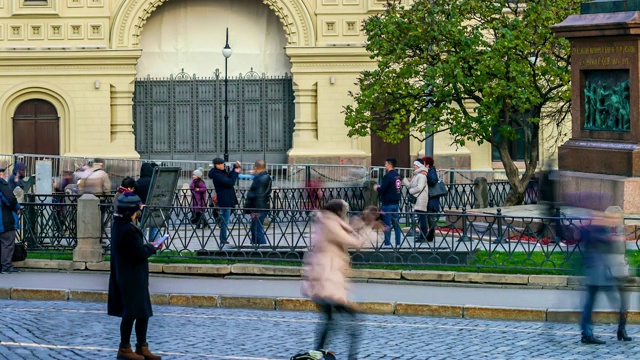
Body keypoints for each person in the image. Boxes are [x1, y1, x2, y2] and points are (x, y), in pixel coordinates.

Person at [302, 199, 362, 360]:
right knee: (353, 319)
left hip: (325, 281)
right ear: (339, 211)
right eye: (344, 211)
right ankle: (350, 356)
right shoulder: (330, 224)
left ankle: (317, 353)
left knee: (329, 322)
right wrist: (360, 226)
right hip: (327, 282)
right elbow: (354, 241)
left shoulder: (326, 222)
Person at [108, 192, 162, 360]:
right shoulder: (126, 229)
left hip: (132, 275)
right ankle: (124, 348)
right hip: (130, 276)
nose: (140, 211)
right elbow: (138, 253)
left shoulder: (121, 225)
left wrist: (147, 246)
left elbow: (135, 248)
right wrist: (152, 248)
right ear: (132, 210)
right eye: (138, 208)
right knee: (131, 312)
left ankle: (142, 346)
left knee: (143, 312)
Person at [579, 210, 631, 344]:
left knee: (615, 301)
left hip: (613, 269)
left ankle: (620, 329)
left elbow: (618, 249)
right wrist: (611, 238)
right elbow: (596, 242)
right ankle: (587, 333)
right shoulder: (597, 229)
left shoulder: (613, 229)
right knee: (612, 301)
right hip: (600, 271)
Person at [208, 158, 241, 247]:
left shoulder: (221, 173)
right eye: (222, 164)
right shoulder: (217, 175)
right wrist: (236, 172)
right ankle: (223, 239)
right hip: (225, 200)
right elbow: (230, 182)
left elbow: (228, 176)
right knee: (225, 221)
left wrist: (235, 168)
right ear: (217, 165)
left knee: (225, 220)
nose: (224, 165)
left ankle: (219, 223)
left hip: (228, 199)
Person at [374, 157, 402, 247]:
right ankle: (398, 242)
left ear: (390, 164)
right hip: (396, 202)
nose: (385, 166)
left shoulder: (387, 176)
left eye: (386, 164)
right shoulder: (398, 175)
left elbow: (383, 189)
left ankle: (387, 243)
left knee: (387, 224)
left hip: (387, 203)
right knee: (396, 224)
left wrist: (377, 188)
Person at [245, 160, 272, 245]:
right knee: (255, 228)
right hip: (261, 206)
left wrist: (247, 204)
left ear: (256, 167)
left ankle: (263, 249)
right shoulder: (265, 177)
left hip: (258, 207)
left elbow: (255, 194)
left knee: (257, 228)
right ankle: (254, 247)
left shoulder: (260, 179)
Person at [0, 167, 21, 274]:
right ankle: (6, 267)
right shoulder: (2, 185)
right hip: (4, 220)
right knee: (7, 243)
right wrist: (17, 208)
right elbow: (10, 199)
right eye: (3, 174)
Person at [403, 160, 429, 242]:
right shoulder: (416, 175)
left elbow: (420, 187)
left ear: (419, 166)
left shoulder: (421, 175)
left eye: (415, 165)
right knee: (421, 217)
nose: (413, 166)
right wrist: (403, 179)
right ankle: (422, 235)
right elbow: (410, 185)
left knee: (422, 218)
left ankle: (423, 235)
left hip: (421, 199)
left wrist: (411, 191)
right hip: (418, 199)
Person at [135, 162, 159, 242]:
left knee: (142, 228)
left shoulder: (137, 182)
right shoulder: (153, 182)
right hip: (153, 207)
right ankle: (154, 246)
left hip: (141, 208)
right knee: (155, 226)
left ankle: (142, 245)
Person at [423, 156, 441, 242]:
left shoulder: (431, 171)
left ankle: (430, 236)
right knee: (429, 217)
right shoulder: (430, 171)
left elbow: (433, 181)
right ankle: (429, 235)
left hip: (432, 198)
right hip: (430, 198)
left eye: (424, 162)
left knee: (431, 217)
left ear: (427, 164)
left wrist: (427, 175)